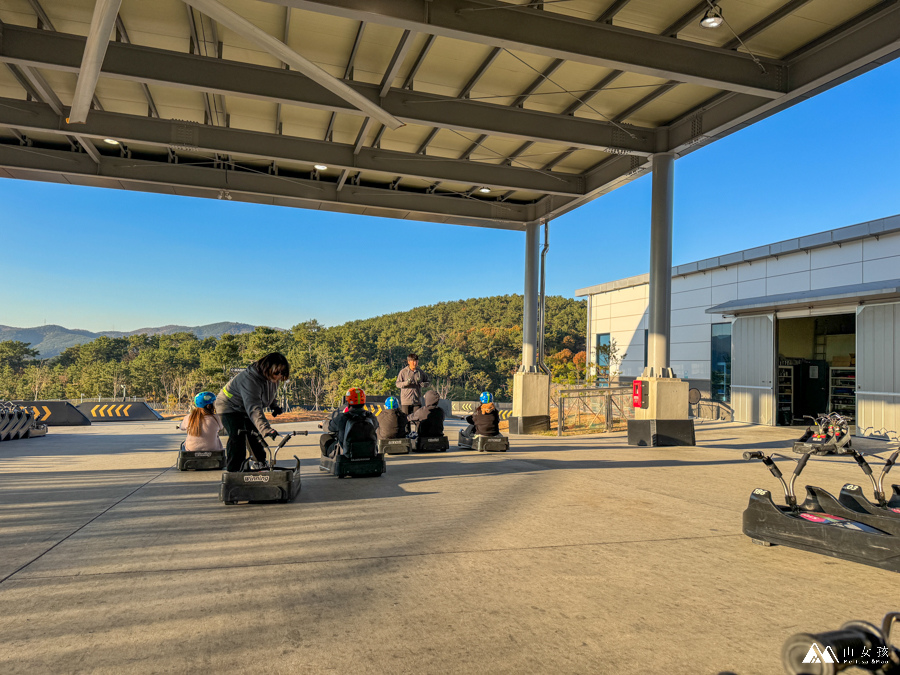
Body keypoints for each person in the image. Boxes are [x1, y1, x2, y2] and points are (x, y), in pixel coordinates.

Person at [215, 352, 289, 472]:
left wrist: (274, 405)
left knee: (254, 434)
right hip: (228, 406)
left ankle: (260, 463)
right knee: (238, 435)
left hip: (245, 405)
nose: (280, 376)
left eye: (283, 372)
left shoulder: (271, 377)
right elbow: (254, 408)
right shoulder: (250, 380)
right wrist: (266, 429)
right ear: (267, 369)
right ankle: (234, 470)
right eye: (277, 372)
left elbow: (268, 394)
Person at [320, 387, 379, 458]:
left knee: (324, 438)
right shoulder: (371, 417)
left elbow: (329, 427)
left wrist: (323, 424)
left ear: (348, 403)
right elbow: (376, 426)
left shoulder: (342, 418)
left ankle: (332, 464)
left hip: (346, 454)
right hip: (370, 452)